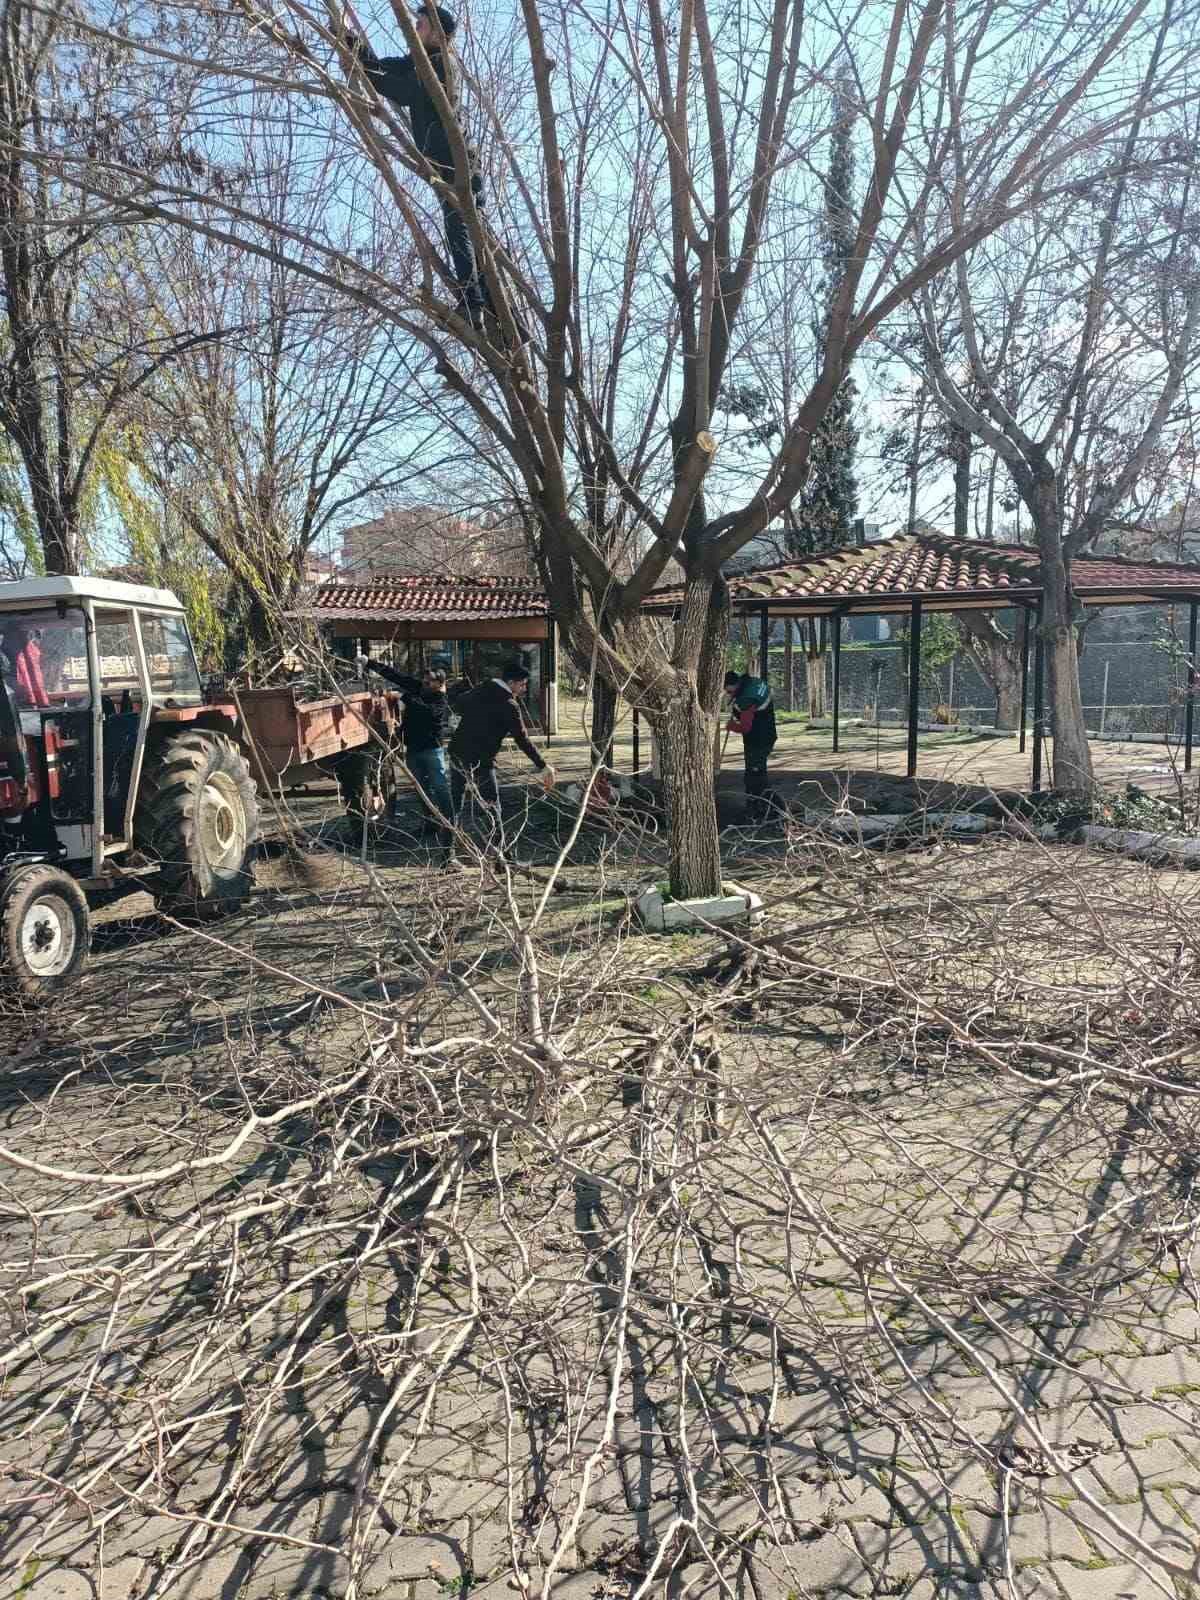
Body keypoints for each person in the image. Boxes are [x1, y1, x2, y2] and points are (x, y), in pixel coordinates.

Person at [345, 4, 499, 333]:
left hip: (457, 163)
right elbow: (384, 68)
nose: (416, 29)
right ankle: (491, 308)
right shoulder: (420, 60)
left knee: (463, 231)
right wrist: (354, 46)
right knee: (469, 232)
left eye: (422, 24)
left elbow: (401, 91)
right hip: (442, 163)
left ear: (438, 32)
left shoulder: (441, 64)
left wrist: (370, 71)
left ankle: (475, 305)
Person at [446, 660, 554, 864]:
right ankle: (502, 859)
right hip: (483, 760)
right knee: (493, 807)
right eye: (522, 685)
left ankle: (446, 857)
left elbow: (458, 704)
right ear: (511, 682)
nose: (523, 689)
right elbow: (522, 739)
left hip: (459, 752)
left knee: (455, 805)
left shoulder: (482, 689)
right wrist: (542, 765)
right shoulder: (508, 704)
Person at [356, 654, 452, 826]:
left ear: (440, 683)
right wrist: (368, 662)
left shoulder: (441, 699)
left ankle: (450, 821)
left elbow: (427, 712)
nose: (425, 683)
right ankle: (431, 824)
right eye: (424, 680)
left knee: (440, 786)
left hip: (432, 749)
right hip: (413, 749)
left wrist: (404, 697)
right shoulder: (420, 687)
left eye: (430, 681)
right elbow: (394, 675)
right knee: (421, 788)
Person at [724, 668, 777, 821]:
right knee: (757, 773)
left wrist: (731, 726)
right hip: (768, 734)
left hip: (758, 740)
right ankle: (758, 806)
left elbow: (745, 727)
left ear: (733, 685)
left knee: (755, 776)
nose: (727, 693)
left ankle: (766, 809)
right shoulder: (755, 682)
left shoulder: (746, 699)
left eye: (727, 690)